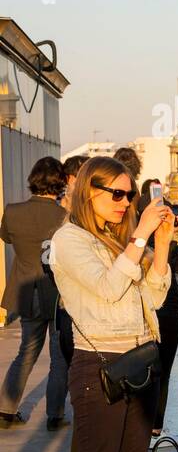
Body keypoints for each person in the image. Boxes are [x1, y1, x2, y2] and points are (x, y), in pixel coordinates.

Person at [48, 156, 174, 452]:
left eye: (130, 195)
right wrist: (139, 234)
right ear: (90, 194)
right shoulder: (69, 241)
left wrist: (159, 246)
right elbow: (105, 289)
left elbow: (152, 298)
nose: (125, 203)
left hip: (137, 362)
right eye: (116, 195)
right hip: (98, 366)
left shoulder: (114, 240)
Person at [0, 157, 71, 430]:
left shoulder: (13, 211)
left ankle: (6, 408)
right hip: (57, 294)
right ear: (59, 183)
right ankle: (54, 415)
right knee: (59, 356)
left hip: (27, 292)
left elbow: (6, 237)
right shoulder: (63, 216)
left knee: (26, 351)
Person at [134, 178, 178, 435]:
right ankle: (156, 424)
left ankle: (139, 420)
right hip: (166, 312)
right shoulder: (165, 242)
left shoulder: (135, 237)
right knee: (163, 369)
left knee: (141, 367)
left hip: (141, 311)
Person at [55, 155, 89, 369]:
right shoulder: (58, 208)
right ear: (70, 178)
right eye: (83, 175)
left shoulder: (91, 207)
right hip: (64, 299)